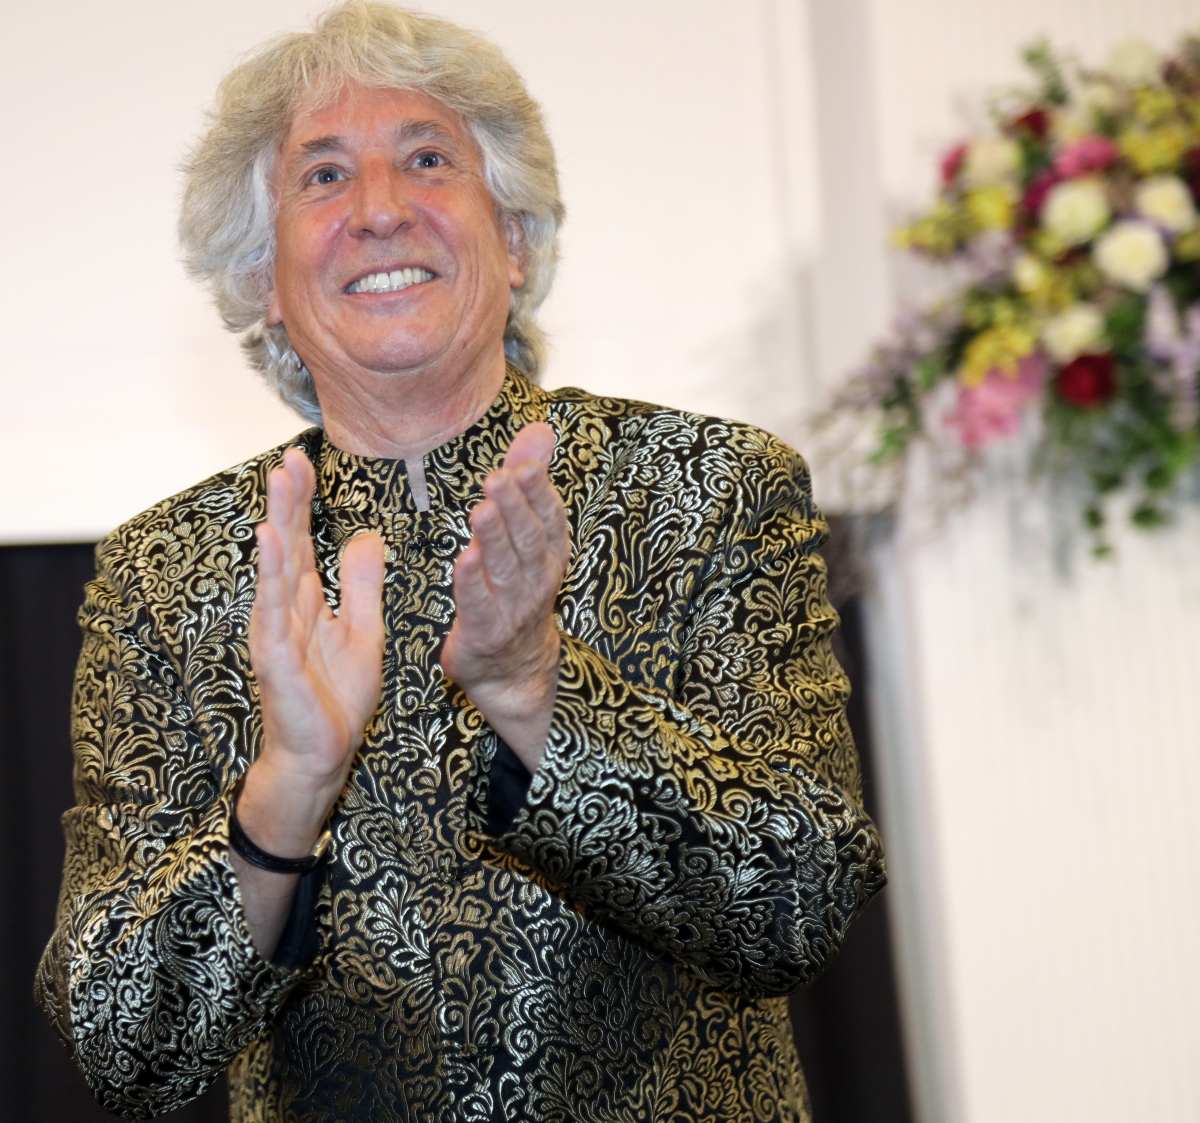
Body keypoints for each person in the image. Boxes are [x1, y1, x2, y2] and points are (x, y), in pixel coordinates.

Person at [34, 3, 886, 1120]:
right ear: (262, 278)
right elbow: (123, 1044)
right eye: (324, 176)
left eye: (427, 159)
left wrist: (540, 694)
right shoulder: (170, 573)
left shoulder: (707, 490)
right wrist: (286, 787)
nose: (381, 209)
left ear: (513, 236)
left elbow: (801, 906)